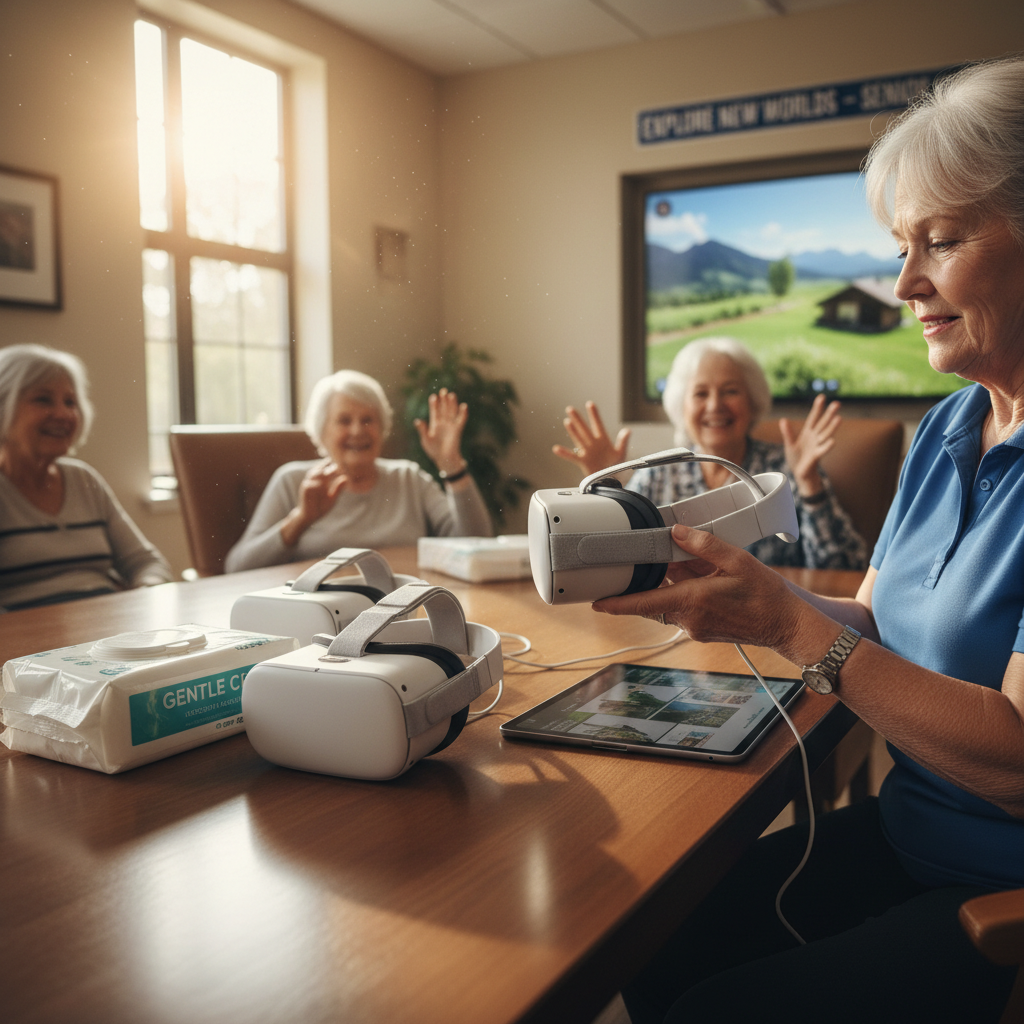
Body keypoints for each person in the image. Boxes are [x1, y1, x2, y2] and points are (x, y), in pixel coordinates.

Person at [591, 57, 1024, 1024]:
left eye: (942, 242)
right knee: (651, 932)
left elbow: (1017, 765)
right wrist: (738, 591)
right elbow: (869, 616)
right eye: (899, 246)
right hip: (910, 831)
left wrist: (793, 628)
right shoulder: (950, 428)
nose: (904, 280)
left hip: (995, 887)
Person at [553, 337, 868, 569]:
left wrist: (809, 482)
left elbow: (843, 568)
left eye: (730, 391)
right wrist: (606, 495)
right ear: (682, 406)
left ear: (752, 400)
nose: (715, 406)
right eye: (701, 393)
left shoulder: (785, 469)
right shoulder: (657, 474)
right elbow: (614, 559)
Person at [225, 369, 492, 571]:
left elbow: (477, 545)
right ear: (321, 430)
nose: (357, 431)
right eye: (344, 420)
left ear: (382, 428)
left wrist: (452, 465)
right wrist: (300, 520)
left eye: (368, 420)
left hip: (404, 609)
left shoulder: (408, 478)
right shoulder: (293, 481)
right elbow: (236, 567)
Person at [0, 344, 172, 610]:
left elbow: (146, 563)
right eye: (43, 399)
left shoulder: (83, 479)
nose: (64, 414)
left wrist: (145, 591)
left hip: (104, 631)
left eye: (70, 402)